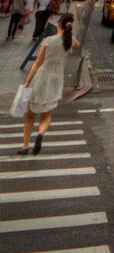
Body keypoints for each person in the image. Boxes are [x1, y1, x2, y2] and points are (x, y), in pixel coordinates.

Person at [17, 13, 80, 155]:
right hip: (57, 79)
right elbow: (77, 45)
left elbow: (38, 63)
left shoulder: (48, 40)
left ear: (59, 24)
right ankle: (40, 134)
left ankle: (25, 146)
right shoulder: (70, 40)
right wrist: (71, 32)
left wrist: (27, 82)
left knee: (31, 115)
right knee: (46, 114)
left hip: (42, 77)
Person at [20, 1, 61, 70]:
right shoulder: (51, 0)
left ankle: (35, 35)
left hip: (39, 12)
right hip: (44, 14)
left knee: (38, 26)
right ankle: (37, 35)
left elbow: (39, 4)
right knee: (41, 26)